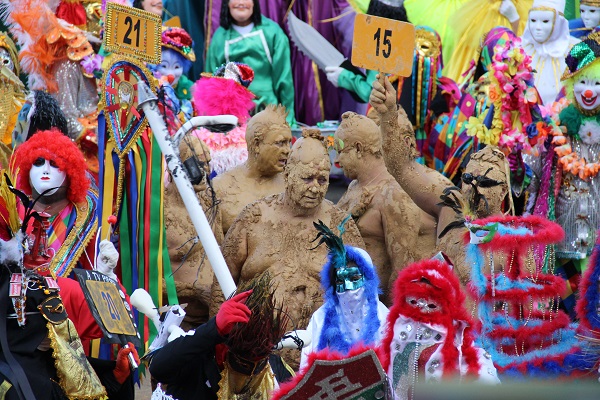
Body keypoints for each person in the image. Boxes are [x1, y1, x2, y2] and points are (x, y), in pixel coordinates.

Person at [220, 128, 364, 368]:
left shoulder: (341, 226)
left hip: (324, 358)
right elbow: (221, 287)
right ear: (287, 175)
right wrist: (221, 349)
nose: (315, 188)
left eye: (322, 180)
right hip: (258, 360)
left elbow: (363, 295)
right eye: (307, 178)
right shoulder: (253, 218)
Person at [150, 272, 293, 399]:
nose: (249, 375)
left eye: (260, 364)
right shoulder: (196, 359)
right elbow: (158, 368)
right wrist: (214, 328)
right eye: (243, 364)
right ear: (223, 348)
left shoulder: (276, 368)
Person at [334, 111, 424, 302]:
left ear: (358, 149)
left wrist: (387, 321)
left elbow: (403, 270)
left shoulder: (394, 194)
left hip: (373, 309)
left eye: (340, 151)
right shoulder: (354, 186)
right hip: (345, 302)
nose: (338, 161)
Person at [382, 258, 500, 400]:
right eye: (413, 301)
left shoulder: (455, 341)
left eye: (430, 304)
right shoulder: (395, 328)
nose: (421, 308)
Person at [300, 221, 389, 370]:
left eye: (354, 279)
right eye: (340, 281)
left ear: (368, 279)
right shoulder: (320, 319)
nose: (348, 288)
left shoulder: (385, 319)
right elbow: (308, 367)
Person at [11, 128, 98, 278]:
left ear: (70, 172)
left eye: (54, 164)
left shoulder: (87, 218)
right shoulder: (13, 212)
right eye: (38, 162)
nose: (45, 170)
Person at [205, 0, 296, 125]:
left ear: (254, 3)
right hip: (234, 119)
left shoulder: (272, 32)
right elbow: (211, 83)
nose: (241, 3)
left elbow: (284, 80)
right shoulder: (220, 37)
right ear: (227, 4)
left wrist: (288, 119)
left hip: (269, 114)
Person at [164, 133, 222, 329]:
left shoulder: (210, 201)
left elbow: (223, 256)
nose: (204, 171)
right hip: (174, 320)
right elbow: (143, 281)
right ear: (175, 167)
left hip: (212, 318)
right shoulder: (158, 210)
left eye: (207, 164)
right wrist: (195, 291)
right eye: (197, 164)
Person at [212, 104, 292, 237]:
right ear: (256, 145)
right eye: (280, 143)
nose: (287, 150)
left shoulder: (292, 185)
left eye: (289, 142)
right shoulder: (220, 188)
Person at [521, 0, 580, 105]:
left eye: (545, 21)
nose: (538, 27)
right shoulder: (519, 49)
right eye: (533, 20)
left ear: (558, 22)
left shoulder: (577, 50)